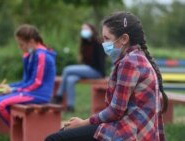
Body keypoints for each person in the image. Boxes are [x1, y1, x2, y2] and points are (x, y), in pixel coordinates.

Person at [45, 11, 168, 141]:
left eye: (107, 38)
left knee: (54, 139)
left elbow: (116, 111)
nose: (104, 43)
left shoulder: (130, 63)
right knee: (66, 133)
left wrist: (83, 123)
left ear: (124, 39)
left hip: (129, 132)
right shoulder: (136, 58)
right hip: (135, 130)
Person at [0, 24, 56, 126]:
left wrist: (13, 90)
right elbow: (25, 81)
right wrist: (10, 87)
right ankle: (16, 132)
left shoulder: (42, 56)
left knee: (0, 105)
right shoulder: (30, 55)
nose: (20, 47)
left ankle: (17, 131)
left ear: (32, 42)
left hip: (39, 94)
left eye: (21, 44)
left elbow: (36, 83)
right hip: (29, 92)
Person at [51, 23, 106, 112]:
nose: (84, 31)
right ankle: (70, 106)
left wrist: (101, 74)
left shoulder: (97, 43)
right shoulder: (85, 44)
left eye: (86, 29)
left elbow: (100, 61)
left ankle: (59, 96)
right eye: (82, 29)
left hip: (97, 72)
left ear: (92, 30)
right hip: (88, 70)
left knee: (67, 70)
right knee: (70, 79)